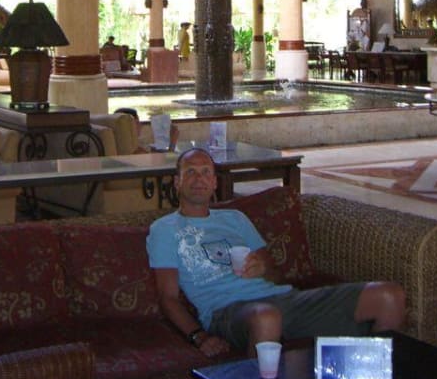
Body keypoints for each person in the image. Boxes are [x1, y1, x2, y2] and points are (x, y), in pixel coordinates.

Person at [146, 148, 406, 357]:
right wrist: (199, 337)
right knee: (267, 317)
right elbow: (167, 297)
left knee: (389, 295)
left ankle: (374, 373)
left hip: (284, 300)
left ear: (214, 182)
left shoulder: (236, 218)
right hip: (226, 312)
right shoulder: (164, 229)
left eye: (205, 172)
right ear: (178, 183)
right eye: (190, 172)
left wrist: (263, 268)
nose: (199, 179)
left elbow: (277, 276)